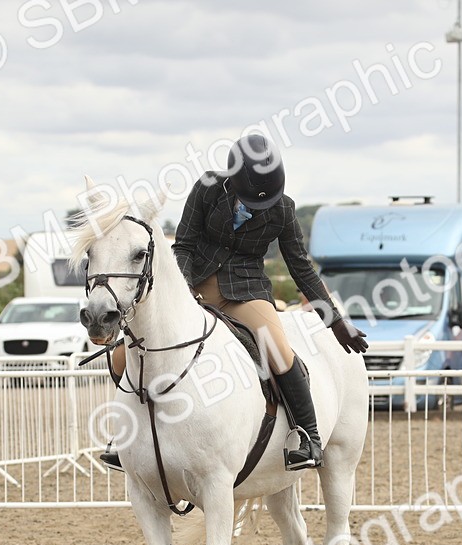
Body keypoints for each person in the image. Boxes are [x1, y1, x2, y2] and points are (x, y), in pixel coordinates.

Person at [101, 133, 367, 472]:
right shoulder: (207, 189)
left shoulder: (283, 208)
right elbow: (183, 244)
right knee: (124, 354)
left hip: (246, 291)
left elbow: (301, 269)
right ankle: (124, 435)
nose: (258, 208)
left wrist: (335, 321)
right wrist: (183, 291)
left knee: (278, 351)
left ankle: (307, 435)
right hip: (195, 287)